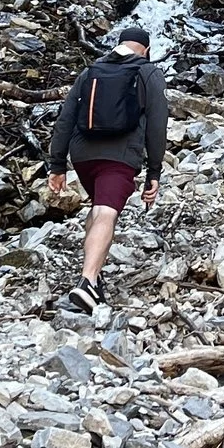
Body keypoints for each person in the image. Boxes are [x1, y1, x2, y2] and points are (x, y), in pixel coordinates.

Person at [44, 23, 168, 314]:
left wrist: (58, 164)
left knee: (98, 209)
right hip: (120, 155)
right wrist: (154, 171)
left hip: (83, 153)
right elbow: (157, 124)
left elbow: (65, 118)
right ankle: (86, 281)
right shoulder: (148, 71)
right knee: (105, 212)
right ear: (146, 50)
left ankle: (95, 279)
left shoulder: (91, 71)